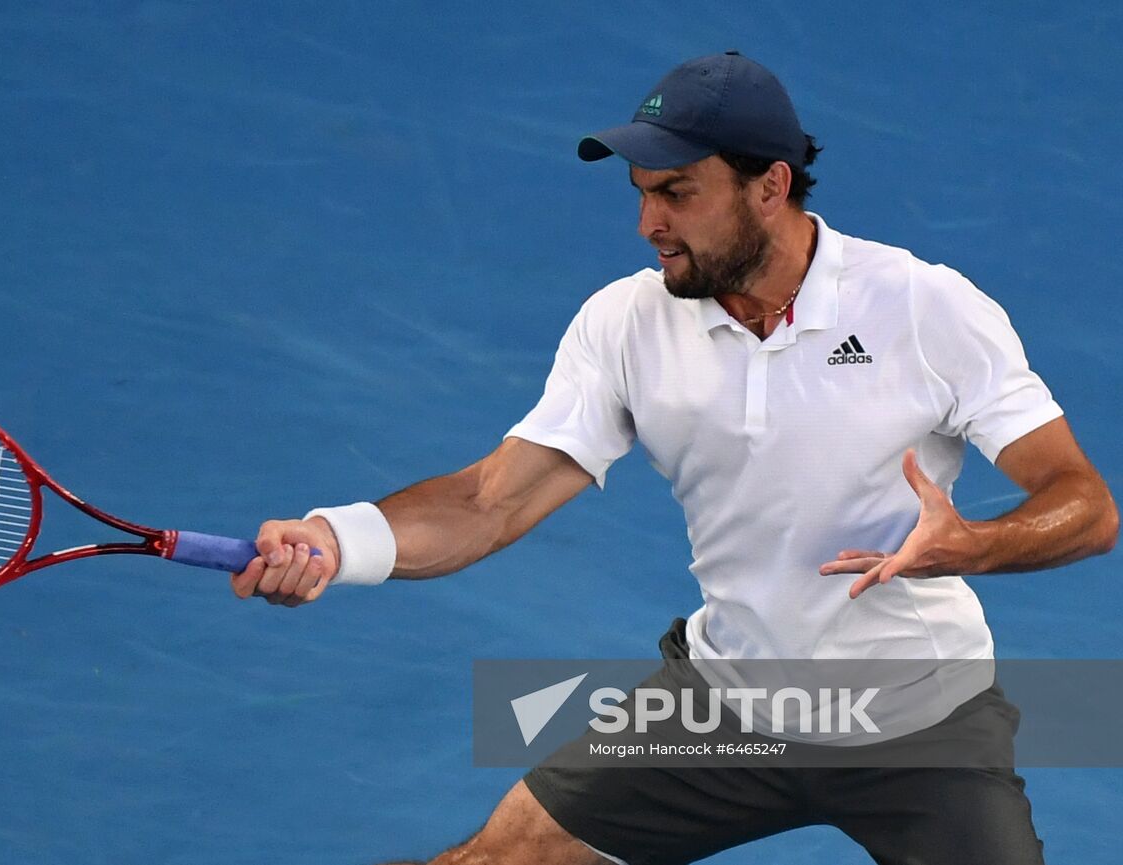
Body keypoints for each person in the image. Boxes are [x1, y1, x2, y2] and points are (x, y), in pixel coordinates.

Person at [230, 52, 1118, 864]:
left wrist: (976, 544)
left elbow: (1084, 501)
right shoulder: (626, 322)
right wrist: (337, 540)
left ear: (771, 186)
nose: (649, 223)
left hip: (921, 721)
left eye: (679, 194)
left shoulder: (925, 309)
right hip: (723, 706)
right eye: (641, 191)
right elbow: (489, 501)